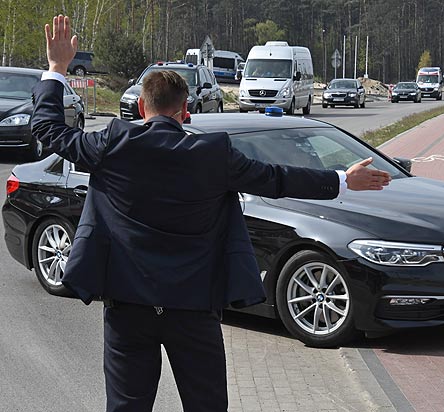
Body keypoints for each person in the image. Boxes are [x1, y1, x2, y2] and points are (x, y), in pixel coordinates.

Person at [32, 15, 392, 412]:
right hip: (194, 309)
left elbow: (49, 131)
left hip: (128, 308)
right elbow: (277, 178)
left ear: (139, 106)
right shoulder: (213, 155)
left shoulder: (113, 143)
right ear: (185, 110)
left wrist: (56, 69)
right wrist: (342, 180)